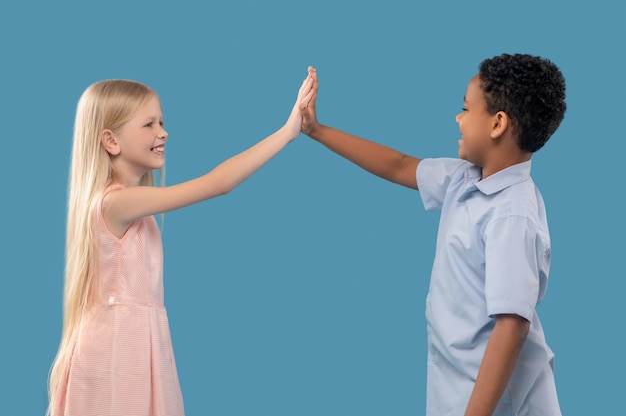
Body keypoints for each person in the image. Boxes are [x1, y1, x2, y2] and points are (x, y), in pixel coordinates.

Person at [300, 54, 566, 416]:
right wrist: (317, 129)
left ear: (498, 124)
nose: (458, 118)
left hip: (499, 404)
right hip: (458, 390)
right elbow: (400, 165)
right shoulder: (465, 179)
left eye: (466, 109)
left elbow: (512, 327)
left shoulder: (513, 216)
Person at [47, 71, 314, 416]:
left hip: (138, 347)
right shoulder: (115, 204)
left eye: (162, 121)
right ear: (111, 141)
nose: (163, 132)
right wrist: (286, 132)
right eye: (149, 125)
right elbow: (218, 183)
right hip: (117, 355)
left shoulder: (127, 203)